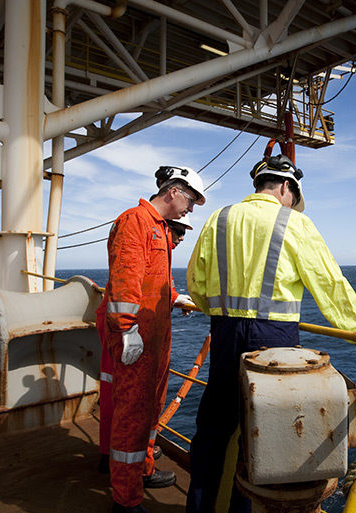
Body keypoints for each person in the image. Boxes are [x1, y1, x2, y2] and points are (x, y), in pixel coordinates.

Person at [185, 154, 356, 513]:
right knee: (264, 429)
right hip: (273, 339)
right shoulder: (295, 224)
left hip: (225, 330)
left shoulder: (219, 218)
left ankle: (200, 508)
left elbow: (195, 282)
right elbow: (330, 285)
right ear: (286, 187)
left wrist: (219, 310)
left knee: (214, 430)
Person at [98, 166, 205, 513]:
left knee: (150, 410)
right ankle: (125, 500)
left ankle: (142, 470)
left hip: (155, 338)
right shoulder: (135, 221)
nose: (190, 209)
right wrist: (126, 329)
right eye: (190, 200)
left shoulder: (158, 228)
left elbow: (153, 279)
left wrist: (176, 298)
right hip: (137, 339)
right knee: (131, 416)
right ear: (173, 191)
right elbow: (125, 280)